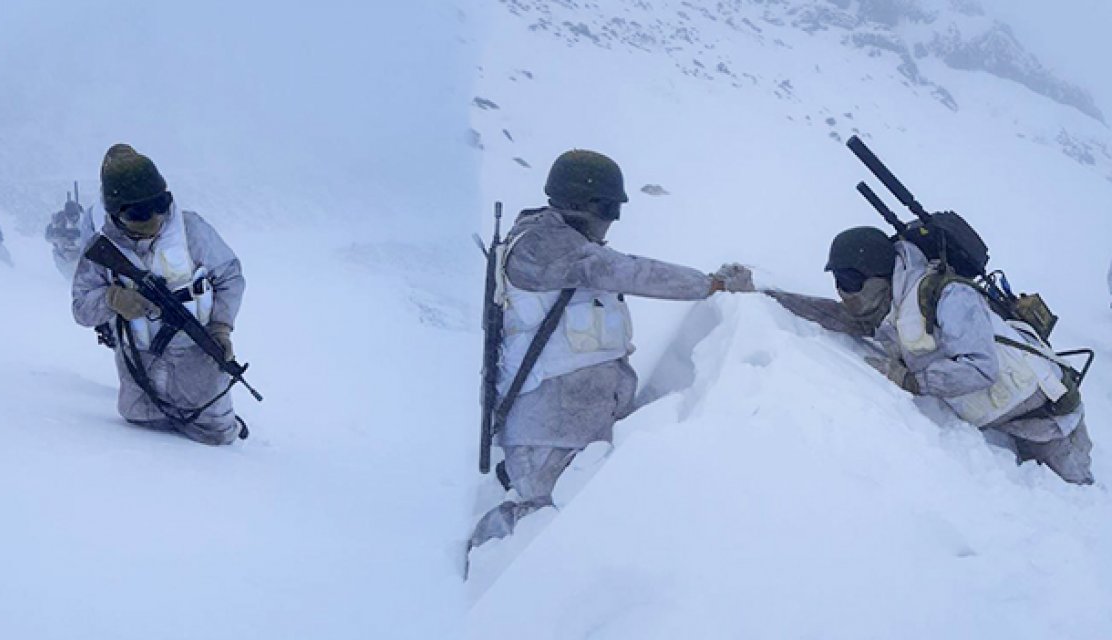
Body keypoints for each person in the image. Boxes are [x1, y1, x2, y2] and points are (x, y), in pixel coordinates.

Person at [468, 150, 754, 549]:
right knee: (536, 532)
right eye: (611, 210)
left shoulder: (563, 245)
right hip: (548, 434)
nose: (611, 223)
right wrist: (711, 285)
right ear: (590, 205)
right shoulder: (543, 246)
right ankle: (473, 582)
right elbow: (625, 270)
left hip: (576, 429)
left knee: (569, 529)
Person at [766, 227, 1093, 484]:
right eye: (837, 280)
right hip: (1002, 420)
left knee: (1070, 507)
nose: (842, 290)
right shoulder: (888, 308)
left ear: (877, 274)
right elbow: (836, 316)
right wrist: (764, 294)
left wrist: (910, 381)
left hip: (1050, 420)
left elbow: (981, 369)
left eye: (850, 280)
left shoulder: (949, 296)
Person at [71, 144, 247, 445]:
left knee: (217, 439)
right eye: (139, 212)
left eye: (161, 204)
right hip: (139, 365)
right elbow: (81, 307)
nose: (155, 218)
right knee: (143, 432)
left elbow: (230, 276)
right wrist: (112, 299)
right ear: (117, 211)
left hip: (198, 358)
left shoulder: (192, 230)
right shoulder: (101, 250)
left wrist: (221, 327)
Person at [45, 197, 96, 278]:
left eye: (75, 216)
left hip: (81, 253)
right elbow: (48, 237)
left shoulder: (85, 220)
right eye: (70, 216)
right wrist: (58, 234)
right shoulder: (59, 221)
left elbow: (91, 236)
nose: (73, 218)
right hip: (64, 254)